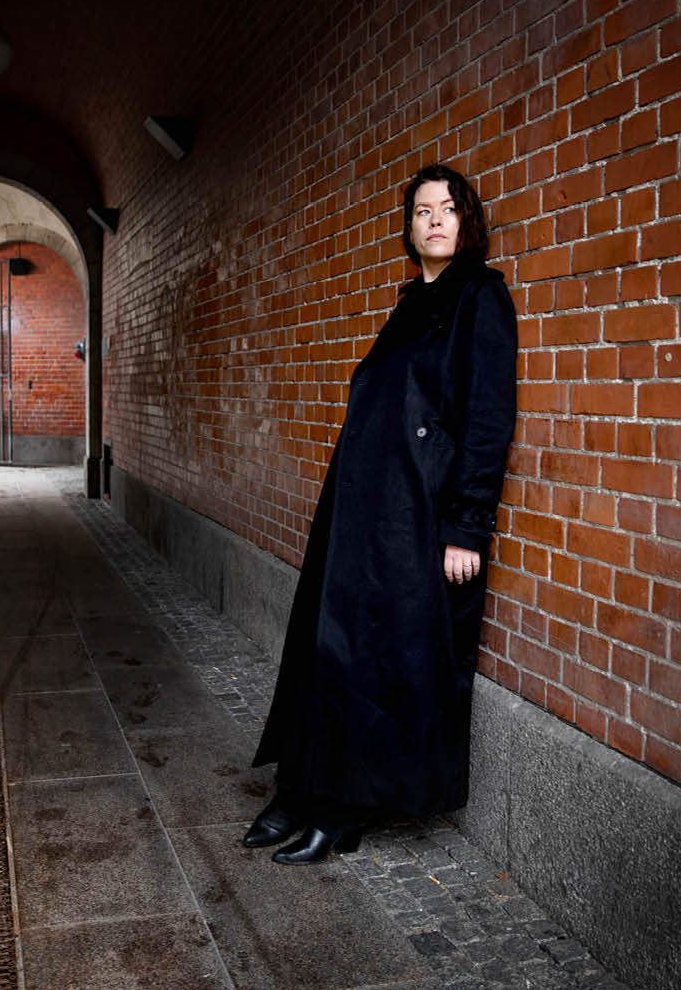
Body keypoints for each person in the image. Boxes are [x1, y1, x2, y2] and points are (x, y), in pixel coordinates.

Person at [247, 163, 519, 864]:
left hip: (416, 518)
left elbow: (488, 419)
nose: (434, 219)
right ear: (408, 229)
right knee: (325, 648)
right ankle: (301, 790)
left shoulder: (480, 298)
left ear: (467, 222)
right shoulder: (409, 303)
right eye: (422, 210)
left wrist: (466, 526)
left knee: (374, 663)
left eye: (448, 208)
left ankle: (342, 809)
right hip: (361, 513)